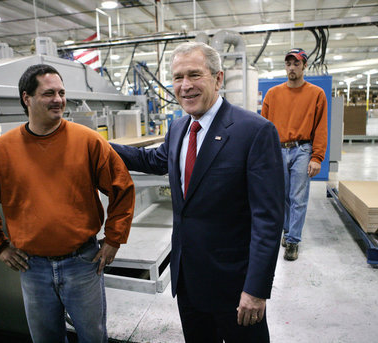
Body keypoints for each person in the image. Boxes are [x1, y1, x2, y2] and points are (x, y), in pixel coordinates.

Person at [111, 42, 284, 342]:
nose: (185, 86)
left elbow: (268, 220)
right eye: (178, 77)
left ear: (218, 79)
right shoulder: (179, 127)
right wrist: (98, 145)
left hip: (235, 286)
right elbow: (154, 160)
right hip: (188, 280)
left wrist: (256, 289)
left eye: (194, 75)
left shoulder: (254, 131)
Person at [0, 64, 135, 343]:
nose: (58, 99)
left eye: (62, 92)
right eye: (49, 93)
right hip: (32, 267)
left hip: (83, 262)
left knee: (93, 336)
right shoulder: (0, 151)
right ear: (26, 98)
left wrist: (114, 239)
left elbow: (122, 188)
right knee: (45, 338)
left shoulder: (88, 141)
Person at [260, 48, 328, 261]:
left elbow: (321, 127)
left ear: (304, 66)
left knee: (298, 197)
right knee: (282, 197)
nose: (291, 67)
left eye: (296, 64)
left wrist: (317, 158)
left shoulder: (316, 94)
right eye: (288, 64)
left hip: (302, 149)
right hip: (277, 149)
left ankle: (293, 241)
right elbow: (264, 127)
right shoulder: (273, 94)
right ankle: (288, 230)